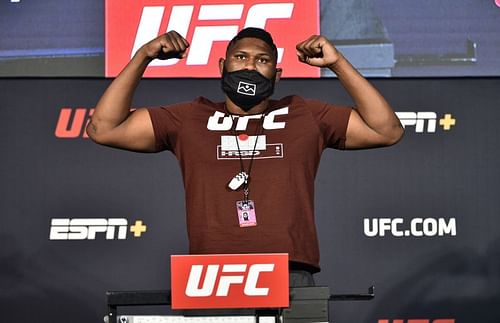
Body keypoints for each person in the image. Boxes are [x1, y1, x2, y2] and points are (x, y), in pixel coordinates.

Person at [87, 28, 403, 286]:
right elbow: (104, 128)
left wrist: (337, 64)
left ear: (277, 74)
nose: (250, 66)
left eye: (262, 60)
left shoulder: (304, 113)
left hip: (289, 270)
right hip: (210, 273)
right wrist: (143, 56)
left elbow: (386, 130)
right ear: (221, 66)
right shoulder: (191, 117)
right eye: (241, 57)